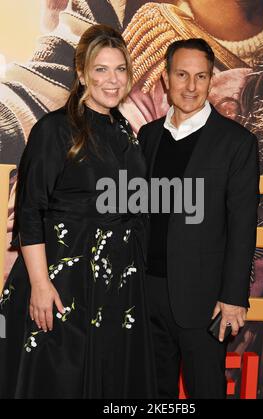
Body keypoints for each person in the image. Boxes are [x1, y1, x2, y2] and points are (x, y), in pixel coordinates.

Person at [0, 23, 156, 399]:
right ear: (82, 73)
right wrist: (40, 285)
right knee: (61, 383)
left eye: (120, 69)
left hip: (116, 284)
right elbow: (31, 211)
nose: (112, 79)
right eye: (101, 69)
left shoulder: (128, 133)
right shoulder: (54, 130)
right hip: (61, 280)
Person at [138, 38, 260, 399]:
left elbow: (242, 226)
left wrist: (234, 297)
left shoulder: (237, 143)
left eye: (201, 76)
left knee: (205, 389)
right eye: (182, 75)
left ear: (210, 80)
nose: (191, 86)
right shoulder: (147, 136)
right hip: (149, 293)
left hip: (204, 300)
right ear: (165, 79)